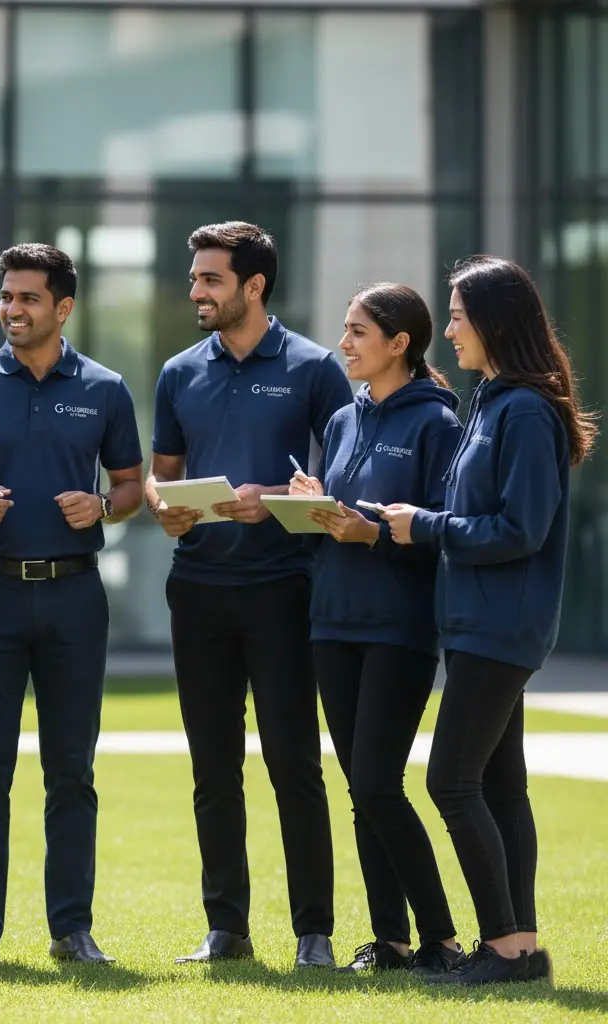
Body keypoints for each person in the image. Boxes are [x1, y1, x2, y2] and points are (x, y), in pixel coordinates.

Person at [0, 243, 144, 965]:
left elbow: (133, 487)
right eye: (7, 297)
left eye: (28, 299)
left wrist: (105, 506)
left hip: (77, 597)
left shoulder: (106, 389)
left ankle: (71, 930)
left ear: (64, 307)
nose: (12, 310)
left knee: (72, 770)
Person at [382, 256, 597, 986]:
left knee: (451, 781)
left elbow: (520, 529)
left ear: (496, 323)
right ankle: (519, 947)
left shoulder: (527, 409)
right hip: (479, 624)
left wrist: (425, 527)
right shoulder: (493, 401)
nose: (448, 329)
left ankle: (504, 947)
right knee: (501, 787)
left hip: (500, 627)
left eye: (459, 316)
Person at [146, 221, 352, 967]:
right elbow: (160, 473)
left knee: (293, 762)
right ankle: (226, 928)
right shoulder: (178, 372)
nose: (195, 290)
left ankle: (314, 933)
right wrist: (162, 506)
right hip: (197, 590)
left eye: (210, 279)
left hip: (284, 590)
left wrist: (282, 497)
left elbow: (346, 480)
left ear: (253, 286)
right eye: (195, 277)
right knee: (212, 768)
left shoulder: (315, 368)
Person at [287, 283, 465, 977]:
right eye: (344, 328)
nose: (344, 342)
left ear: (400, 343)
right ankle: (390, 941)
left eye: (359, 331)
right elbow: (336, 529)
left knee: (378, 783)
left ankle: (443, 941)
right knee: (361, 789)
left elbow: (444, 533)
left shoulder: (438, 427)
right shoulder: (341, 422)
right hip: (332, 621)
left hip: (399, 627)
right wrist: (310, 514)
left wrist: (372, 535)